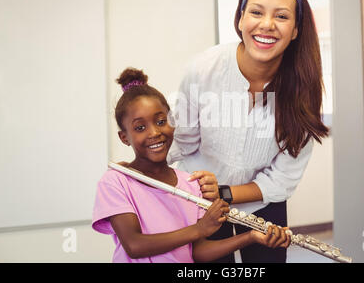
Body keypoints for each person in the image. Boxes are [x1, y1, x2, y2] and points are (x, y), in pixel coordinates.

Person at [168, 0, 329, 263]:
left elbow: (282, 179)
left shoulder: (305, 91)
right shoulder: (203, 69)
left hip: (262, 204)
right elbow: (182, 143)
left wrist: (225, 192)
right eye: (256, 12)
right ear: (241, 19)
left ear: (295, 30)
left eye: (281, 16)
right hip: (200, 201)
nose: (266, 24)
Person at [92, 68, 291, 263]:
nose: (154, 132)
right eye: (140, 127)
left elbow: (198, 252)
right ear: (124, 137)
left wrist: (251, 237)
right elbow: (134, 246)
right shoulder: (115, 181)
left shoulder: (190, 184)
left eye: (161, 121)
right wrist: (199, 229)